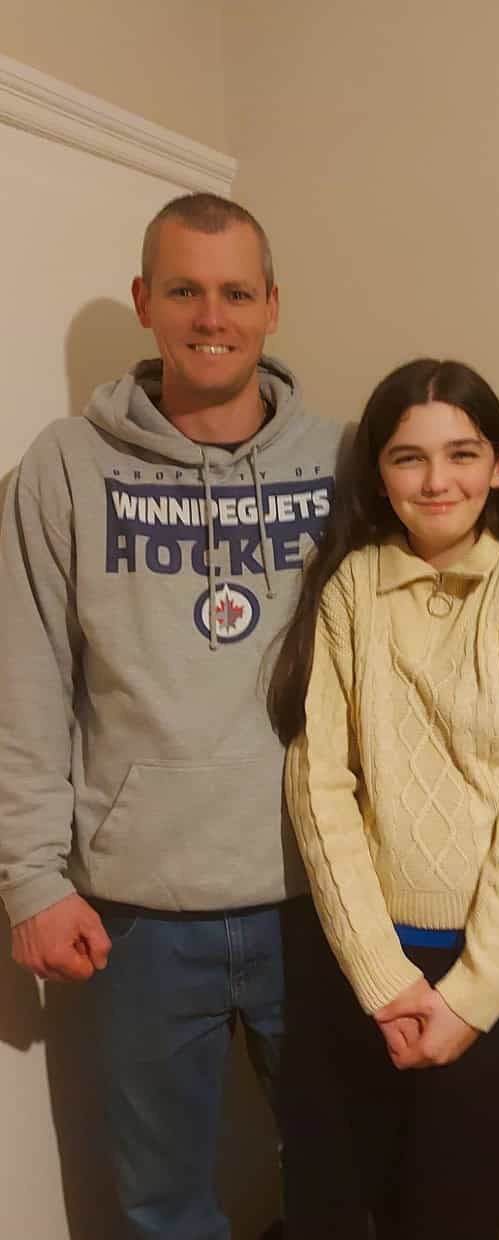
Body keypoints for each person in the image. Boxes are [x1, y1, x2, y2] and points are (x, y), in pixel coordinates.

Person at [0, 193, 343, 1238]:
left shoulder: (341, 460)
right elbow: (26, 679)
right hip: (135, 913)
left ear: (272, 305)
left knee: (343, 1185)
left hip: (316, 893)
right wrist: (30, 880)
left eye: (236, 291)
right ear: (147, 302)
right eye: (185, 290)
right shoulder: (62, 465)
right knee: (163, 1206)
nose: (212, 316)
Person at [268, 358, 499, 1239]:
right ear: (378, 471)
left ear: (498, 463)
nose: (437, 479)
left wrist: (473, 995)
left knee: (451, 1218)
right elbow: (319, 786)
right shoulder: (351, 586)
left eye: (461, 454)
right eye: (409, 458)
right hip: (358, 965)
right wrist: (381, 979)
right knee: (332, 1208)